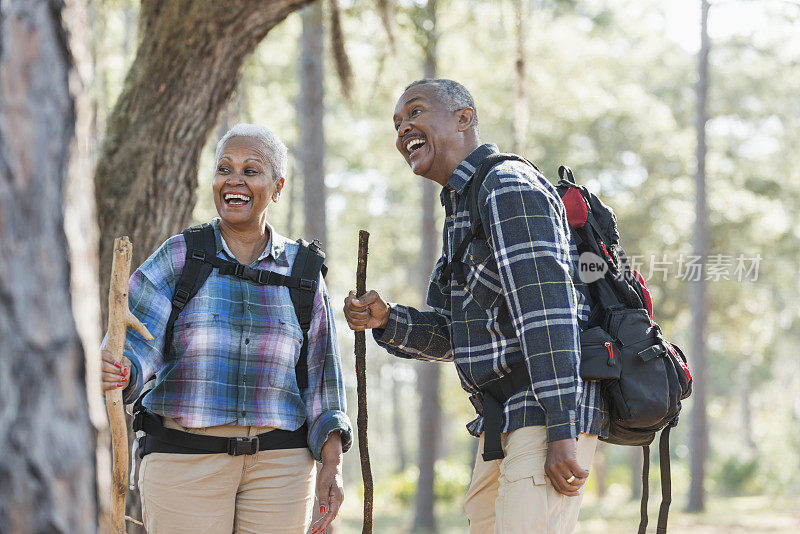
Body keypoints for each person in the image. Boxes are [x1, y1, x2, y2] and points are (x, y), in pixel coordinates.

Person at [343, 79, 605, 534]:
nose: (404, 128)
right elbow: (461, 334)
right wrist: (388, 320)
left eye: (416, 112)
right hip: (501, 421)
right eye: (397, 123)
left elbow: (549, 312)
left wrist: (562, 427)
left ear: (464, 118)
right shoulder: (462, 205)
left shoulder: (506, 186)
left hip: (544, 412)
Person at [101, 123, 351, 534]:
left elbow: (324, 381)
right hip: (184, 461)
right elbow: (134, 344)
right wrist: (119, 369)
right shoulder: (182, 254)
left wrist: (332, 464)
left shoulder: (304, 271)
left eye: (251, 171)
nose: (234, 180)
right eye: (224, 169)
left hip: (282, 469)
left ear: (278, 186)